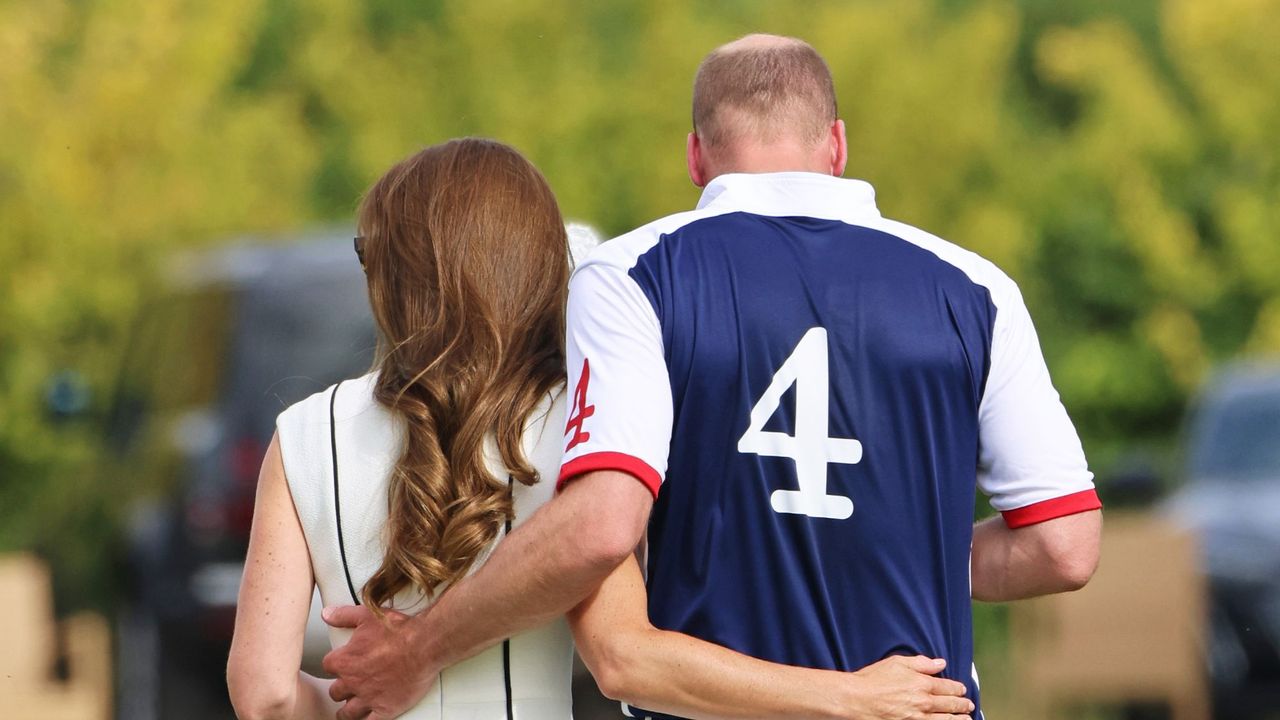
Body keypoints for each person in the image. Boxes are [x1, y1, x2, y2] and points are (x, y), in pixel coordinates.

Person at [322, 34, 1103, 720]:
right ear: (836, 145)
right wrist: (893, 549)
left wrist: (422, 646)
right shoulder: (976, 287)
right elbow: (1065, 546)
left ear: (696, 155)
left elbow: (601, 526)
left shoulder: (634, 273)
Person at [226, 137, 974, 720]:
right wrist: (852, 697)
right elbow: (628, 660)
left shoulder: (300, 436)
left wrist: (343, 698)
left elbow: (260, 694)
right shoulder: (584, 428)